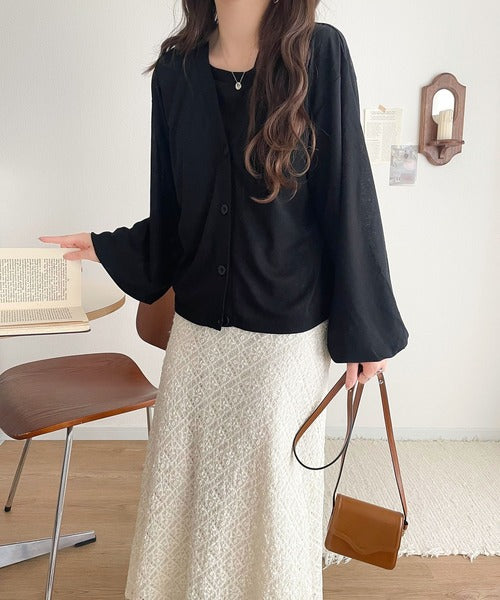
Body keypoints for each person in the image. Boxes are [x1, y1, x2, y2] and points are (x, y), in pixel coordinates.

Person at [39, 1, 409, 598]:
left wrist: (367, 331)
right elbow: (175, 213)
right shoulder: (176, 71)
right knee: (183, 490)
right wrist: (107, 246)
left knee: (268, 501)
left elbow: (348, 196)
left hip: (285, 338)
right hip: (197, 333)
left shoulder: (319, 53)